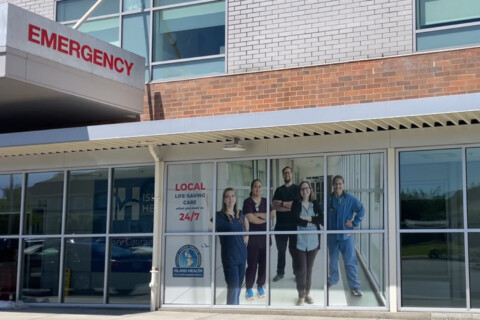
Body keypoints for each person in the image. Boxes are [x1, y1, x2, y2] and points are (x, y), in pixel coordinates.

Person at [327, 175, 365, 296]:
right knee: (333, 262)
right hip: (332, 237)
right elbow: (320, 211)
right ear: (332, 186)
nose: (338, 186)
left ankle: (355, 286)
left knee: (350, 262)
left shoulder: (349, 198)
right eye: (335, 184)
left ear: (343, 185)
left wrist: (354, 223)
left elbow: (361, 209)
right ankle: (333, 280)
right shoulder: (329, 199)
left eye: (340, 184)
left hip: (346, 237)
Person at [291, 181, 324, 306]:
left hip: (313, 242)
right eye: (302, 189)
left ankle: (307, 293)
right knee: (301, 270)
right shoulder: (296, 204)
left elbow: (321, 219)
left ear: (310, 189)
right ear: (300, 191)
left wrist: (306, 218)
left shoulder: (315, 203)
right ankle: (301, 295)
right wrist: (312, 221)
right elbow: (295, 219)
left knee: (309, 269)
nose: (305, 190)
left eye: (307, 188)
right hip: (300, 241)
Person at [242, 179, 275, 301]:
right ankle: (249, 288)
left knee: (263, 264)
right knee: (252, 264)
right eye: (255, 186)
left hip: (265, 237)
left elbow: (272, 215)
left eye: (260, 186)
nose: (258, 189)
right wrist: (264, 218)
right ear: (251, 188)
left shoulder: (266, 201)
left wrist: (260, 215)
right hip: (253, 239)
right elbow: (250, 218)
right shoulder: (247, 202)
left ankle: (260, 285)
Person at [215, 187, 249, 305]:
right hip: (230, 259)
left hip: (242, 256)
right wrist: (206, 208)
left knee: (238, 288)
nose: (231, 199)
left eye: (233, 196)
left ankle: (236, 310)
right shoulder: (220, 216)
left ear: (235, 198)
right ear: (224, 200)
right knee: (233, 288)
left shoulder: (239, 214)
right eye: (228, 196)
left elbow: (246, 222)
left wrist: (247, 235)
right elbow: (208, 226)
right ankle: (230, 313)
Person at [272, 166, 299, 282]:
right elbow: (274, 206)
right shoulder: (278, 190)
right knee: (281, 251)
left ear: (292, 174)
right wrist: (289, 206)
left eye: (288, 173)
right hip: (280, 226)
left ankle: (297, 273)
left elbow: (297, 207)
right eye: (285, 173)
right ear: (283, 175)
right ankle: (280, 272)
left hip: (294, 226)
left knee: (294, 251)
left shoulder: (297, 189)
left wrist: (282, 203)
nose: (287, 175)